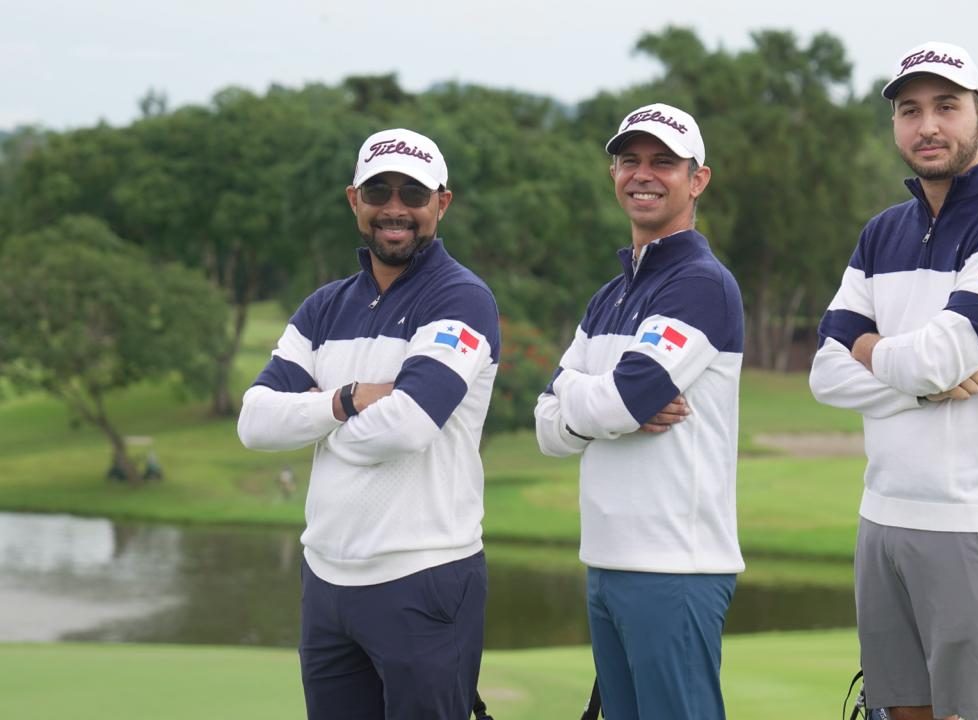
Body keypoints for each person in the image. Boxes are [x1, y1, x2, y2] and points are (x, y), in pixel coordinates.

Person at [809, 41, 978, 720]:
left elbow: (937, 358)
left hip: (977, 528)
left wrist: (863, 344)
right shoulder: (882, 233)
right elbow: (824, 374)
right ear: (895, 126)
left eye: (946, 106)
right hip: (880, 522)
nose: (928, 125)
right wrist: (917, 382)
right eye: (910, 110)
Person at [237, 128, 499, 720]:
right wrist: (347, 400)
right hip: (326, 582)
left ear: (442, 203)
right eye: (380, 191)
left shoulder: (460, 298)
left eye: (414, 192)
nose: (396, 208)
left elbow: (406, 426)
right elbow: (254, 423)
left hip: (423, 575)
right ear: (355, 199)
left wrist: (310, 418)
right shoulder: (323, 307)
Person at [534, 103, 744, 720]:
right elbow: (547, 423)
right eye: (630, 160)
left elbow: (628, 395)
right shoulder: (609, 295)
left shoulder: (701, 282)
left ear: (696, 179)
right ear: (613, 174)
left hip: (675, 565)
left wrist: (592, 396)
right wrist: (600, 404)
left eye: (664, 162)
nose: (643, 174)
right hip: (607, 559)